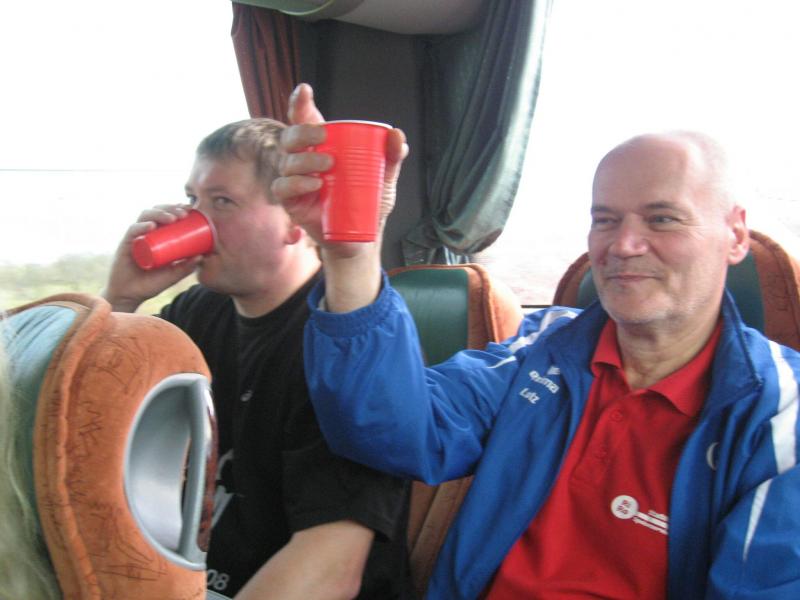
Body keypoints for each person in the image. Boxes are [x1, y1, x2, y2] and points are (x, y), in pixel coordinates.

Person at [274, 84, 800, 598]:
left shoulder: (782, 416)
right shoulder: (543, 348)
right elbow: (390, 432)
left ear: (734, 236)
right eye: (605, 220)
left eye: (662, 219)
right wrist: (351, 254)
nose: (623, 245)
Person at [102, 117, 411, 600]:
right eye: (192, 199)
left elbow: (332, 566)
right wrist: (120, 301)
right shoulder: (199, 311)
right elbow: (92, 418)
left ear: (296, 219)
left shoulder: (346, 344)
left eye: (222, 202)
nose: (197, 221)